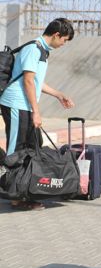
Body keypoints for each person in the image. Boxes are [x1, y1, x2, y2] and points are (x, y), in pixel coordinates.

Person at [0, 18, 75, 211]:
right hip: (16, 103)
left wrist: (59, 95)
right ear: (57, 35)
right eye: (65, 40)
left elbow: (36, 82)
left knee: (32, 147)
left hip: (25, 105)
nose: (64, 44)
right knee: (16, 150)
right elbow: (27, 82)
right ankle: (14, 195)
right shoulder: (33, 49)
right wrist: (36, 112)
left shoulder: (42, 51)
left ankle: (25, 190)